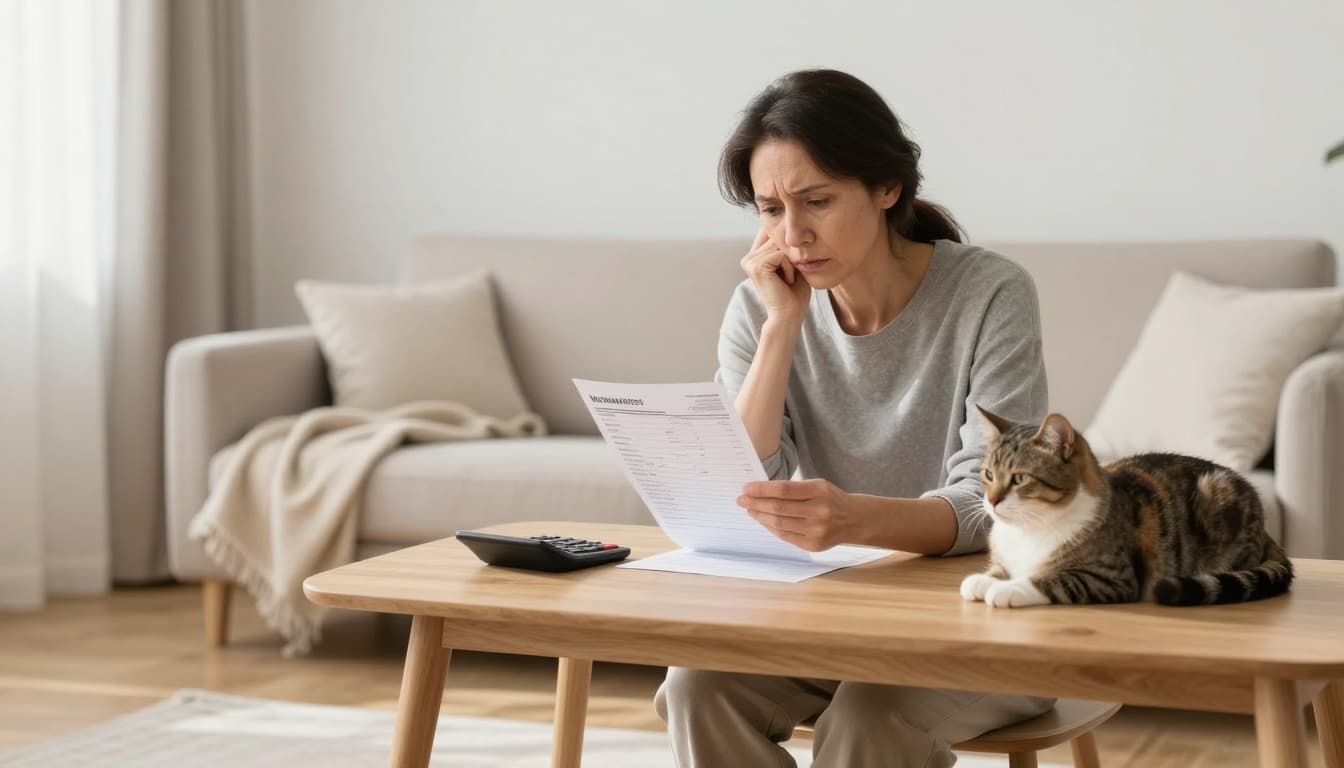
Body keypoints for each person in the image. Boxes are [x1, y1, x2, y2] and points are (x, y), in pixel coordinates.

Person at [653, 68, 1055, 767]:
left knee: (871, 716)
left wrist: (854, 519)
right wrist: (782, 326)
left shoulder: (991, 293)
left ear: (887, 188)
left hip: (985, 614)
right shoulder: (759, 305)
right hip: (833, 615)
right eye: (770, 210)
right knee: (696, 686)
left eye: (817, 201)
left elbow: (1001, 506)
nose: (794, 235)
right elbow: (740, 490)